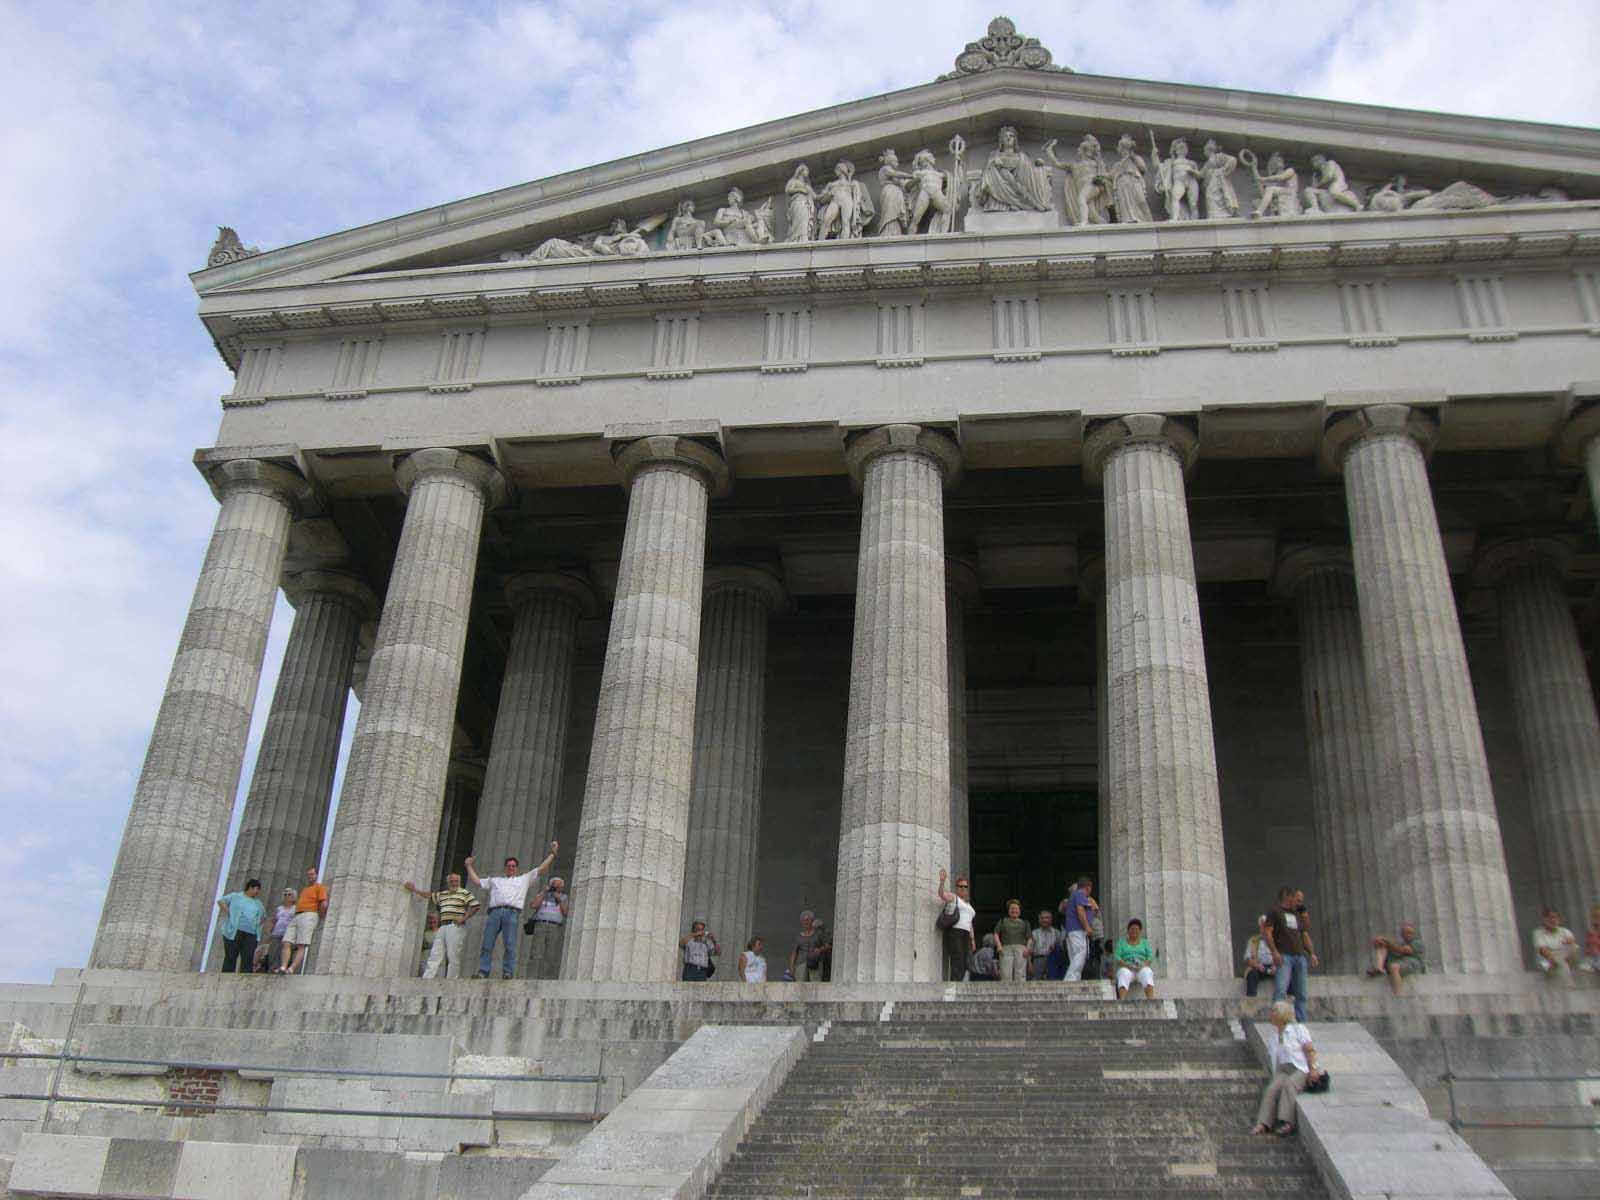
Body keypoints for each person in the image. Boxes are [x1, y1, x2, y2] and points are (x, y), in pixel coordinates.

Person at [465, 841, 558, 980]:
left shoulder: (523, 879)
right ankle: (483, 971)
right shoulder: (496, 880)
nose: (511, 868)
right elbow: (478, 882)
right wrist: (468, 866)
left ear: (516, 868)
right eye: (509, 866)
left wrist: (552, 854)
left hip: (512, 913)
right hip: (495, 912)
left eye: (513, 866)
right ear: (505, 868)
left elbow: (541, 869)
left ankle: (508, 972)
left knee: (510, 944)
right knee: (487, 943)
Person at [1250, 1000, 1324, 1137]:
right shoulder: (1274, 1037)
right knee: (1271, 1089)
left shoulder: (1298, 1030)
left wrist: (1313, 1068)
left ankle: (1287, 1121)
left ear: (1282, 1015)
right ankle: (1263, 1123)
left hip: (1299, 1067)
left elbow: (1310, 1050)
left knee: (1289, 1085)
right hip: (1283, 1069)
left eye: (1274, 1011)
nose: (1271, 1014)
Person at [403, 871, 480, 979]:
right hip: (443, 926)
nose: (454, 883)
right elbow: (429, 895)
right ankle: (427, 978)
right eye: (452, 881)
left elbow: (476, 906)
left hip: (455, 926)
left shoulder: (464, 893)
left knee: (453, 955)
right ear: (448, 882)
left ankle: (451, 980)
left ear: (459, 882)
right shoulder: (443, 894)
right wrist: (414, 890)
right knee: (435, 953)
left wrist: (464, 918)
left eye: (456, 881)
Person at [1266, 885, 1318, 1021]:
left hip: (1299, 956)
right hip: (1284, 955)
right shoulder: (1275, 911)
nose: (1299, 903)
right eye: (1297, 899)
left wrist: (1312, 953)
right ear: (1288, 897)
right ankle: (1278, 1020)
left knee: (1301, 992)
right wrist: (1274, 952)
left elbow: (1305, 932)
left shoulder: (1297, 914)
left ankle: (1302, 1021)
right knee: (1281, 990)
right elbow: (1267, 932)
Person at [279, 867, 328, 975]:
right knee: (286, 941)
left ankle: (291, 969)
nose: (310, 877)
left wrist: (321, 914)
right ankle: (283, 967)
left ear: (316, 875)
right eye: (308, 874)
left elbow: (324, 903)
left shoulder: (319, 887)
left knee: (302, 944)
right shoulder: (305, 889)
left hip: (309, 914)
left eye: (312, 874)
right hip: (297, 915)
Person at [523, 876, 569, 980]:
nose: (556, 887)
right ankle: (531, 977)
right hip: (541, 924)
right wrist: (544, 892)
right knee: (536, 951)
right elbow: (533, 905)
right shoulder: (543, 894)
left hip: (554, 926)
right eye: (554, 885)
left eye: (559, 886)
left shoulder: (564, 897)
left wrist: (559, 899)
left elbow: (565, 912)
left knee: (551, 954)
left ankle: (547, 978)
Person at [216, 879, 265, 974]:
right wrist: (229, 913)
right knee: (231, 956)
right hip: (235, 931)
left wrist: (257, 924)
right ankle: (226, 976)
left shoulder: (258, 903)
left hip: (251, 933)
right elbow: (221, 901)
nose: (258, 892)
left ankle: (245, 977)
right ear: (250, 887)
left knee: (248, 957)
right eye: (256, 889)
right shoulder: (236, 896)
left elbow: (264, 916)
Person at [936, 870, 977, 982]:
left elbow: (970, 923)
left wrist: (973, 939)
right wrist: (942, 881)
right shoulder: (954, 898)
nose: (963, 888)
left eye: (965, 886)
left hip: (966, 934)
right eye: (961, 886)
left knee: (965, 960)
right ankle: (955, 983)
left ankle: (959, 982)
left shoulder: (968, 905)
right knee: (957, 958)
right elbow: (941, 894)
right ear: (957, 888)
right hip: (955, 932)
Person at [1367, 921, 1426, 996]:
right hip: (1402, 962)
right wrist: (1380, 943)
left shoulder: (1417, 943)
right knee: (1382, 945)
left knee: (1394, 967)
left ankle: (1399, 993)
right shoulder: (1401, 944)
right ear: (1402, 935)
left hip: (1414, 965)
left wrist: (1386, 940)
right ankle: (1379, 967)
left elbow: (1403, 950)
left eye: (1410, 933)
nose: (1409, 935)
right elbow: (1396, 949)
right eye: (1406, 933)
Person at [1061, 878, 1099, 981]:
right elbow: (1080, 910)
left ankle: (1075, 980)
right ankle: (1070, 979)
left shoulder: (1075, 896)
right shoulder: (1080, 894)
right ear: (1088, 887)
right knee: (1081, 953)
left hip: (1072, 931)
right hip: (1077, 929)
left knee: (1075, 956)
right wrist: (1087, 926)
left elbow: (1094, 911)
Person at [1533, 907, 1581, 983]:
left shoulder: (1564, 931)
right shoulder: (1539, 933)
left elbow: (1572, 945)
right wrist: (1557, 961)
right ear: (1544, 920)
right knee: (1559, 965)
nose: (1553, 920)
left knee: (1574, 948)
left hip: (1563, 959)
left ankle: (1568, 980)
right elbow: (1543, 950)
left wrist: (1569, 944)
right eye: (1550, 918)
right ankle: (1569, 983)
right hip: (1547, 960)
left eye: (1555, 918)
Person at [1114, 918, 1156, 999]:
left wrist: (1143, 965)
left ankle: (1151, 1000)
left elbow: (1150, 957)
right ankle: (1122, 1001)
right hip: (1127, 967)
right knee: (1123, 973)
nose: (1134, 931)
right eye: (1132, 929)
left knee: (1147, 972)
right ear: (1128, 931)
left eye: (1137, 929)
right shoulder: (1121, 942)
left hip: (1141, 967)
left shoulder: (1145, 942)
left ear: (1140, 931)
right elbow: (1117, 957)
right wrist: (1128, 966)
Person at [258, 888, 295, 973]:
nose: (287, 896)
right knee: (273, 953)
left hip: (288, 934)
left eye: (289, 894)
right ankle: (272, 969)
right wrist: (270, 930)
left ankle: (283, 969)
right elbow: (274, 919)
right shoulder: (279, 908)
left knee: (285, 953)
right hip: (276, 933)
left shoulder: (295, 908)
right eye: (285, 894)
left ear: (293, 897)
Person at [787, 910, 830, 983]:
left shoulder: (818, 934)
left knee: (815, 985)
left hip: (815, 963)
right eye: (803, 920)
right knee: (800, 985)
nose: (805, 922)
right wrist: (791, 968)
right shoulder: (798, 937)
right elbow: (794, 953)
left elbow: (828, 946)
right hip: (801, 963)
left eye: (807, 920)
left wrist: (820, 949)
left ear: (812, 921)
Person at [995, 899, 1029, 982]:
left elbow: (1030, 938)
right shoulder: (1003, 921)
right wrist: (999, 945)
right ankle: (1006, 990)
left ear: (1019, 910)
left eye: (1016, 908)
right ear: (1008, 910)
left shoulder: (1025, 923)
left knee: (1020, 973)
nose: (1014, 910)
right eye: (1012, 908)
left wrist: (1028, 949)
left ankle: (1021, 990)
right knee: (1005, 973)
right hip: (1006, 948)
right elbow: (996, 934)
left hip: (1021, 948)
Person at [1243, 915, 1276, 997]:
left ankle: (1290, 1000)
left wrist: (1277, 966)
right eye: (1263, 926)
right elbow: (1247, 959)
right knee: (1252, 974)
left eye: (1267, 926)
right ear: (1260, 927)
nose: (1265, 929)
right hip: (1259, 967)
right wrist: (1256, 965)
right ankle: (1251, 1000)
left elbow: (1285, 957)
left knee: (1287, 974)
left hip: (1275, 967)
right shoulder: (1253, 940)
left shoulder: (1278, 940)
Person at [1028, 910, 1061, 981]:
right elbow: (1029, 950)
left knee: (1054, 982)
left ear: (1051, 919)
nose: (1044, 920)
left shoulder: (1057, 933)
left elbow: (1060, 949)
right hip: (1038, 960)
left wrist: (1055, 948)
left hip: (1052, 961)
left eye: (1047, 918)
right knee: (1035, 982)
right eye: (1042, 918)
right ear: (1039, 920)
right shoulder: (1034, 933)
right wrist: (1030, 964)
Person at [1583, 904, 1600, 974]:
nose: (1597, 919)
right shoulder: (1590, 933)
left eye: (1598, 916)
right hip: (1594, 961)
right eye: (1595, 917)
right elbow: (1589, 951)